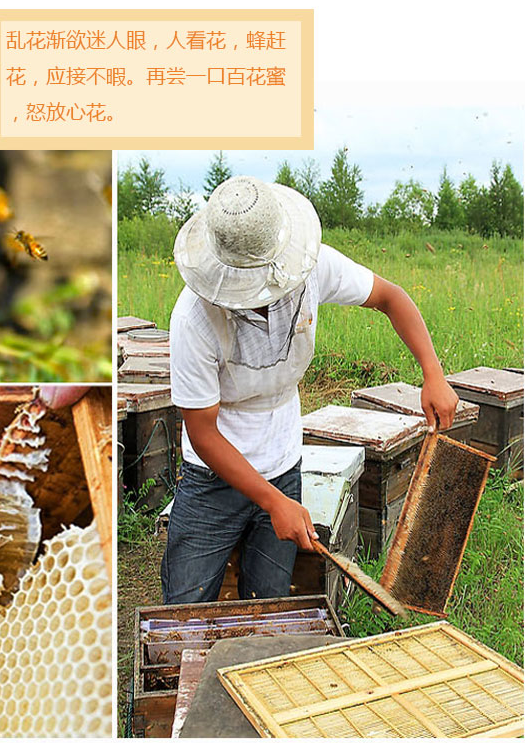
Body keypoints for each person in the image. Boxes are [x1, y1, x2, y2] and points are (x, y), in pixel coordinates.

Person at [162, 175, 458, 605]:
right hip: (212, 477)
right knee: (184, 609)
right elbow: (202, 433)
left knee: (271, 602)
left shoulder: (313, 267)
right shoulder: (193, 318)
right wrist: (272, 501)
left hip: (283, 458)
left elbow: (391, 298)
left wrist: (433, 373)